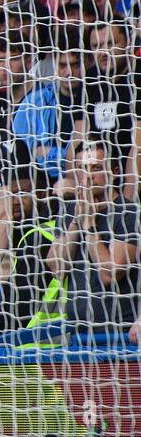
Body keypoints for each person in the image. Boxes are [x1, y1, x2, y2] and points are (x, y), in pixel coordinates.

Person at [46, 142, 141, 336]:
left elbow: (110, 275)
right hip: (77, 333)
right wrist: (76, 222)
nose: (88, 176)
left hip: (119, 335)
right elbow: (56, 267)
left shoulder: (128, 213)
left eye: (96, 168)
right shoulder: (70, 210)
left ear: (114, 171)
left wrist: (89, 225)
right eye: (82, 168)